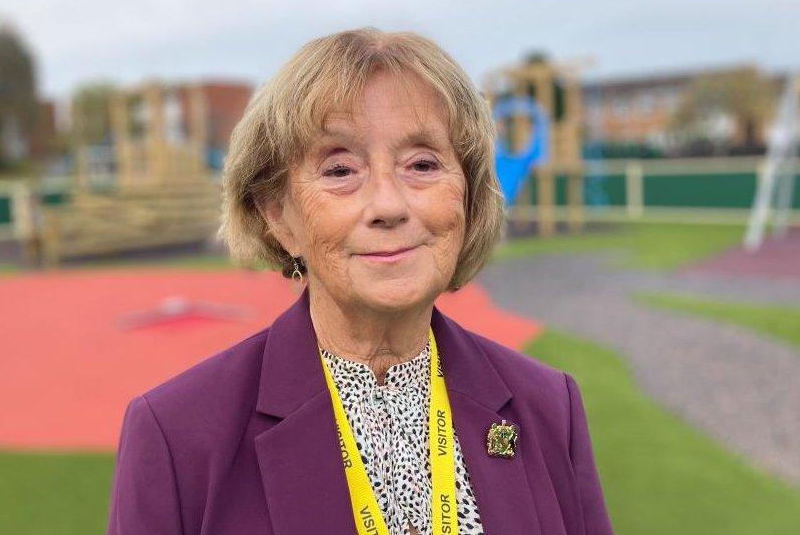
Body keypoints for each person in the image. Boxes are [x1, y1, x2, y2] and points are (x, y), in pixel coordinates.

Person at [106, 27, 614, 535]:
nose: (389, 205)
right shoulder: (176, 434)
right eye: (340, 170)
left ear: (468, 196)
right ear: (278, 216)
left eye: (422, 164)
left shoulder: (550, 406)